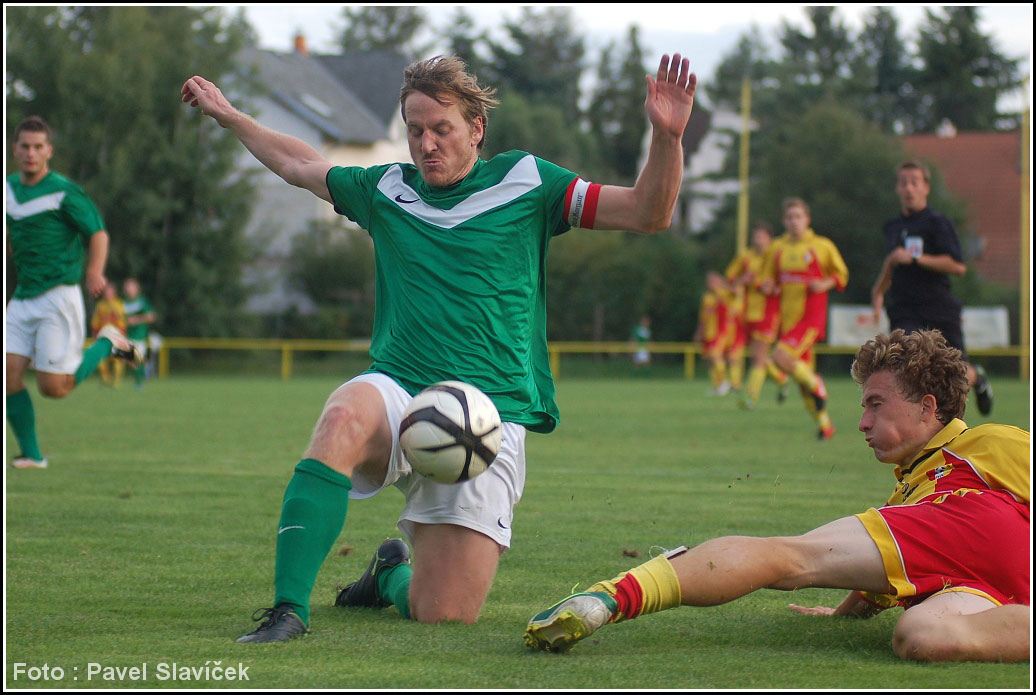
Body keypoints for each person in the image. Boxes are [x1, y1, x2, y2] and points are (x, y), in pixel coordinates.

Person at [181, 53, 698, 642]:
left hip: (487, 419)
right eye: (415, 131)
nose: (426, 144)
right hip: (400, 388)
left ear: (476, 128)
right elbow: (300, 163)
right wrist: (230, 116)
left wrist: (666, 138)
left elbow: (648, 212)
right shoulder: (386, 189)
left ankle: (389, 575)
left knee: (443, 613)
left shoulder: (528, 181)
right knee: (343, 415)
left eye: (441, 129)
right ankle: (287, 612)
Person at [525, 329, 1030, 663]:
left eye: (876, 404)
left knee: (788, 557)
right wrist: (844, 614)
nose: (862, 422)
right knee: (920, 637)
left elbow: (908, 544)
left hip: (987, 531)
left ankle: (611, 597)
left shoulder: (983, 445)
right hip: (995, 594)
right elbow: (895, 566)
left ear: (927, 407)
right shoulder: (912, 489)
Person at [6, 116, 144, 470]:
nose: (31, 153)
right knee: (7, 376)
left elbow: (97, 233)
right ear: (14, 149)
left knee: (54, 389)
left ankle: (107, 343)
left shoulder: (64, 191)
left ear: (49, 151)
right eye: (25, 146)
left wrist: (94, 271)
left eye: (38, 147)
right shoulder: (8, 190)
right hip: (22, 297)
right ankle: (33, 455)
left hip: (58, 297)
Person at [871, 160, 993, 416]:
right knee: (906, 365)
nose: (908, 188)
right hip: (904, 310)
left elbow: (957, 266)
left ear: (925, 187)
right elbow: (892, 262)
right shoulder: (892, 227)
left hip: (938, 307)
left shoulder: (938, 223)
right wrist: (878, 292)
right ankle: (917, 423)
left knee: (955, 374)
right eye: (903, 183)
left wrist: (916, 259)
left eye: (914, 182)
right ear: (897, 188)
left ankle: (978, 379)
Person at [761, 198, 848, 440]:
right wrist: (767, 286)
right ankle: (825, 426)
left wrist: (824, 283)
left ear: (807, 220)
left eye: (798, 216)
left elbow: (841, 274)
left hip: (810, 319)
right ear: (784, 221)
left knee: (779, 357)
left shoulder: (822, 246)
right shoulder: (777, 248)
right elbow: (768, 278)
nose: (794, 221)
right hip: (788, 321)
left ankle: (817, 383)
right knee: (801, 384)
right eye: (789, 217)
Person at [725, 222, 788, 409]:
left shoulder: (776, 256)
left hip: (769, 313)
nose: (757, 240)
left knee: (758, 357)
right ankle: (781, 378)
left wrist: (768, 286)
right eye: (755, 236)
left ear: (769, 239)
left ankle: (750, 397)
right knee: (758, 355)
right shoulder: (746, 256)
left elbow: (784, 281)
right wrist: (741, 280)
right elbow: (730, 277)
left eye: (761, 236)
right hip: (748, 313)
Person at [694, 271, 736, 395]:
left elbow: (735, 292)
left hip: (720, 331)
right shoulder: (706, 297)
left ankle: (725, 382)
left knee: (715, 355)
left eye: (712, 281)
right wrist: (699, 332)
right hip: (708, 332)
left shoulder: (723, 293)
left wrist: (722, 283)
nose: (710, 284)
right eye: (708, 281)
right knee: (709, 360)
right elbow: (703, 317)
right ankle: (717, 385)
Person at [89, 282, 128, 388]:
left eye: (110, 292)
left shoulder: (119, 304)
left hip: (116, 334)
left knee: (117, 357)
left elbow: (122, 320)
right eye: (106, 292)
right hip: (103, 334)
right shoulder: (100, 305)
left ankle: (116, 382)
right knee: (100, 358)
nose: (107, 294)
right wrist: (94, 335)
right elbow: (95, 322)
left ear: (114, 293)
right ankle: (106, 379)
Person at [122, 277, 157, 390]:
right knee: (128, 360)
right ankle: (145, 369)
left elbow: (151, 317)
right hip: (127, 336)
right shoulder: (123, 303)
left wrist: (136, 320)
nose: (129, 289)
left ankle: (139, 383)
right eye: (127, 286)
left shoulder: (142, 302)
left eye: (131, 286)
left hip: (140, 337)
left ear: (137, 288)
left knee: (134, 361)